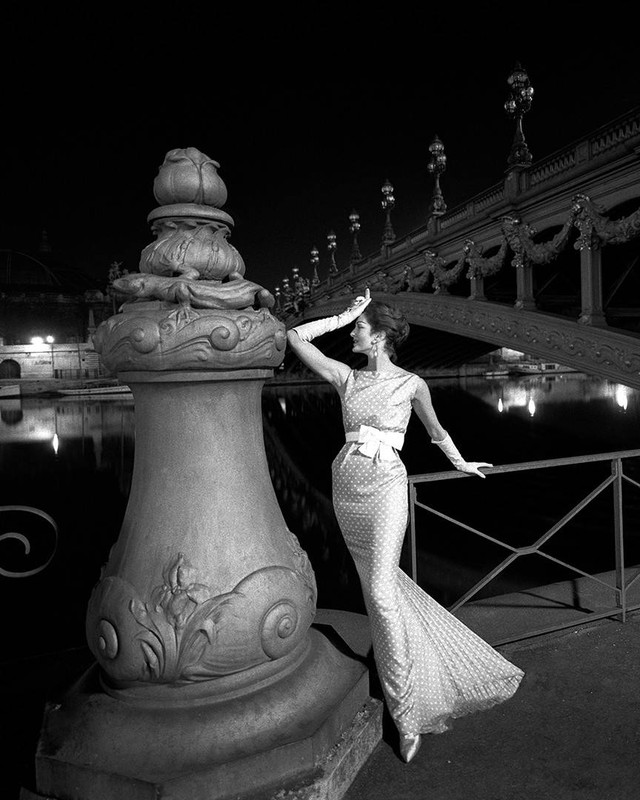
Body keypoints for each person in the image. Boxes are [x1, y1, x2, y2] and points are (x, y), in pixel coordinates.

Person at [286, 288, 524, 763]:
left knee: (379, 588)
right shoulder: (346, 378)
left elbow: (436, 432)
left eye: (359, 327)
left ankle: (408, 715)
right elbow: (295, 337)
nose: (352, 333)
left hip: (387, 487)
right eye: (355, 326)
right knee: (381, 589)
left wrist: (460, 462)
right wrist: (344, 315)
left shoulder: (413, 384)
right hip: (346, 487)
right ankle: (408, 672)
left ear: (378, 338)